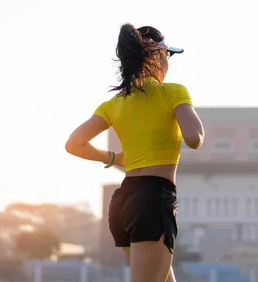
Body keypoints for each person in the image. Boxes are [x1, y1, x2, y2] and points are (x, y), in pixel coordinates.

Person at [65, 24, 205, 282]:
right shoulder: (173, 92)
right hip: (153, 198)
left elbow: (74, 143)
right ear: (157, 55)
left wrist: (113, 158)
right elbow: (194, 138)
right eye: (168, 56)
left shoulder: (114, 103)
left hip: (124, 201)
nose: (168, 64)